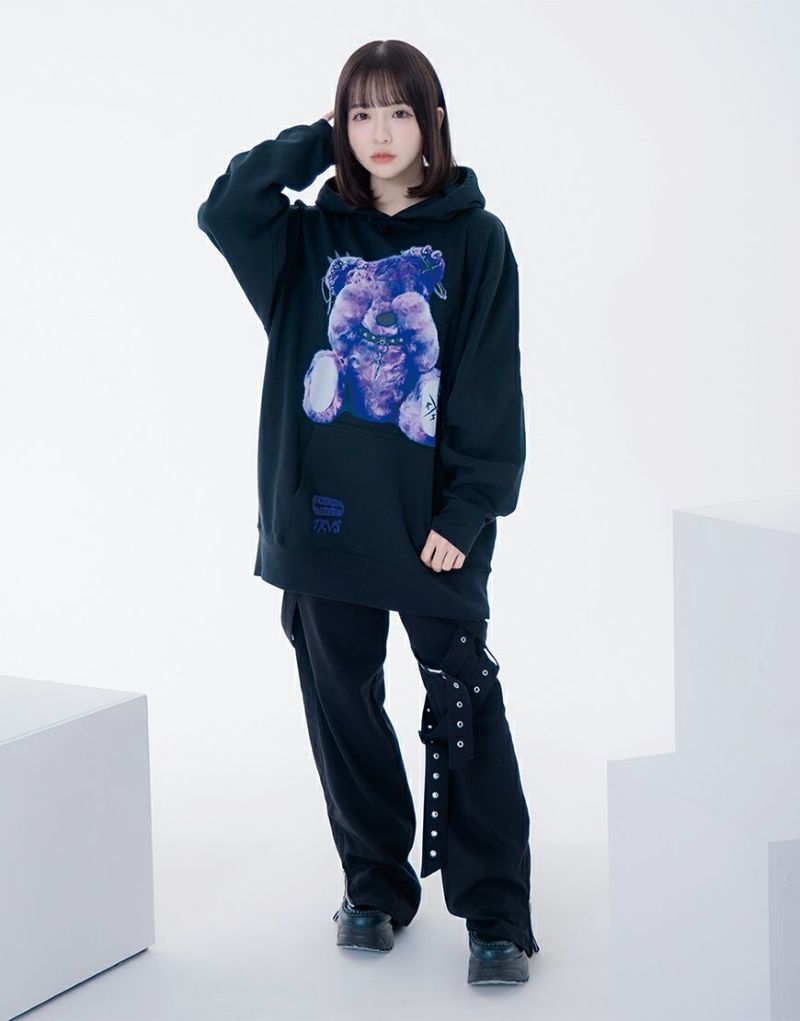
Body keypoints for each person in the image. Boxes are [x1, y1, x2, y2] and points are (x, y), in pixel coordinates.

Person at [197, 38, 540, 985]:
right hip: (322, 521)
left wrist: (467, 513)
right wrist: (316, 143)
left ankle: (497, 912)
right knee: (342, 705)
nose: (379, 132)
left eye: (398, 111)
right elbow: (223, 208)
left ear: (434, 120)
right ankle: (375, 884)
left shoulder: (476, 240)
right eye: (360, 113)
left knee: (462, 702)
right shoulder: (304, 239)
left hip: (431, 526)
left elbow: (489, 385)